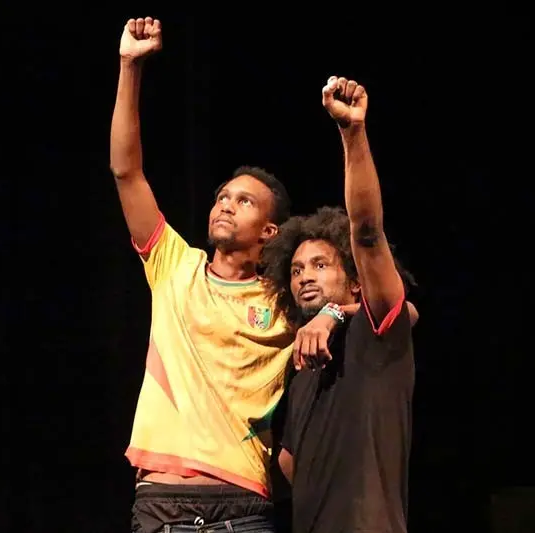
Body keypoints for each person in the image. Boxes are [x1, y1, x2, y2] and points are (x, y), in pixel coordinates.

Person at [110, 16, 323, 533]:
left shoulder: (285, 297)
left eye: (244, 201)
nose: (226, 205)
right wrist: (129, 67)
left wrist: (330, 315)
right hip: (161, 502)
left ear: (270, 231)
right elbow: (126, 171)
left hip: (243, 507)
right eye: (223, 197)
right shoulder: (174, 264)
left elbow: (387, 308)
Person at [261, 75, 417, 533]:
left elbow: (366, 232)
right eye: (296, 270)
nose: (305, 276)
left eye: (320, 265)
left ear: (355, 283)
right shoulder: (304, 367)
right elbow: (289, 464)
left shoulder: (377, 335)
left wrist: (352, 132)